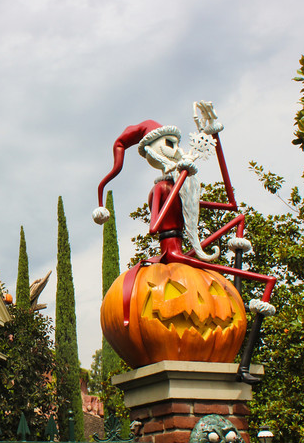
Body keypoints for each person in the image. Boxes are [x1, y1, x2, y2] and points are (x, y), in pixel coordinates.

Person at [92, 102, 275, 384]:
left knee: (238, 220)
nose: (176, 148)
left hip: (186, 249)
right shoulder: (161, 187)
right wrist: (179, 181)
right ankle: (244, 366)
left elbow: (230, 203)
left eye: (177, 142)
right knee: (267, 281)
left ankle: (236, 313)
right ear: (153, 150)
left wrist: (216, 137)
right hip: (170, 252)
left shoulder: (182, 184)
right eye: (169, 143)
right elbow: (155, 226)